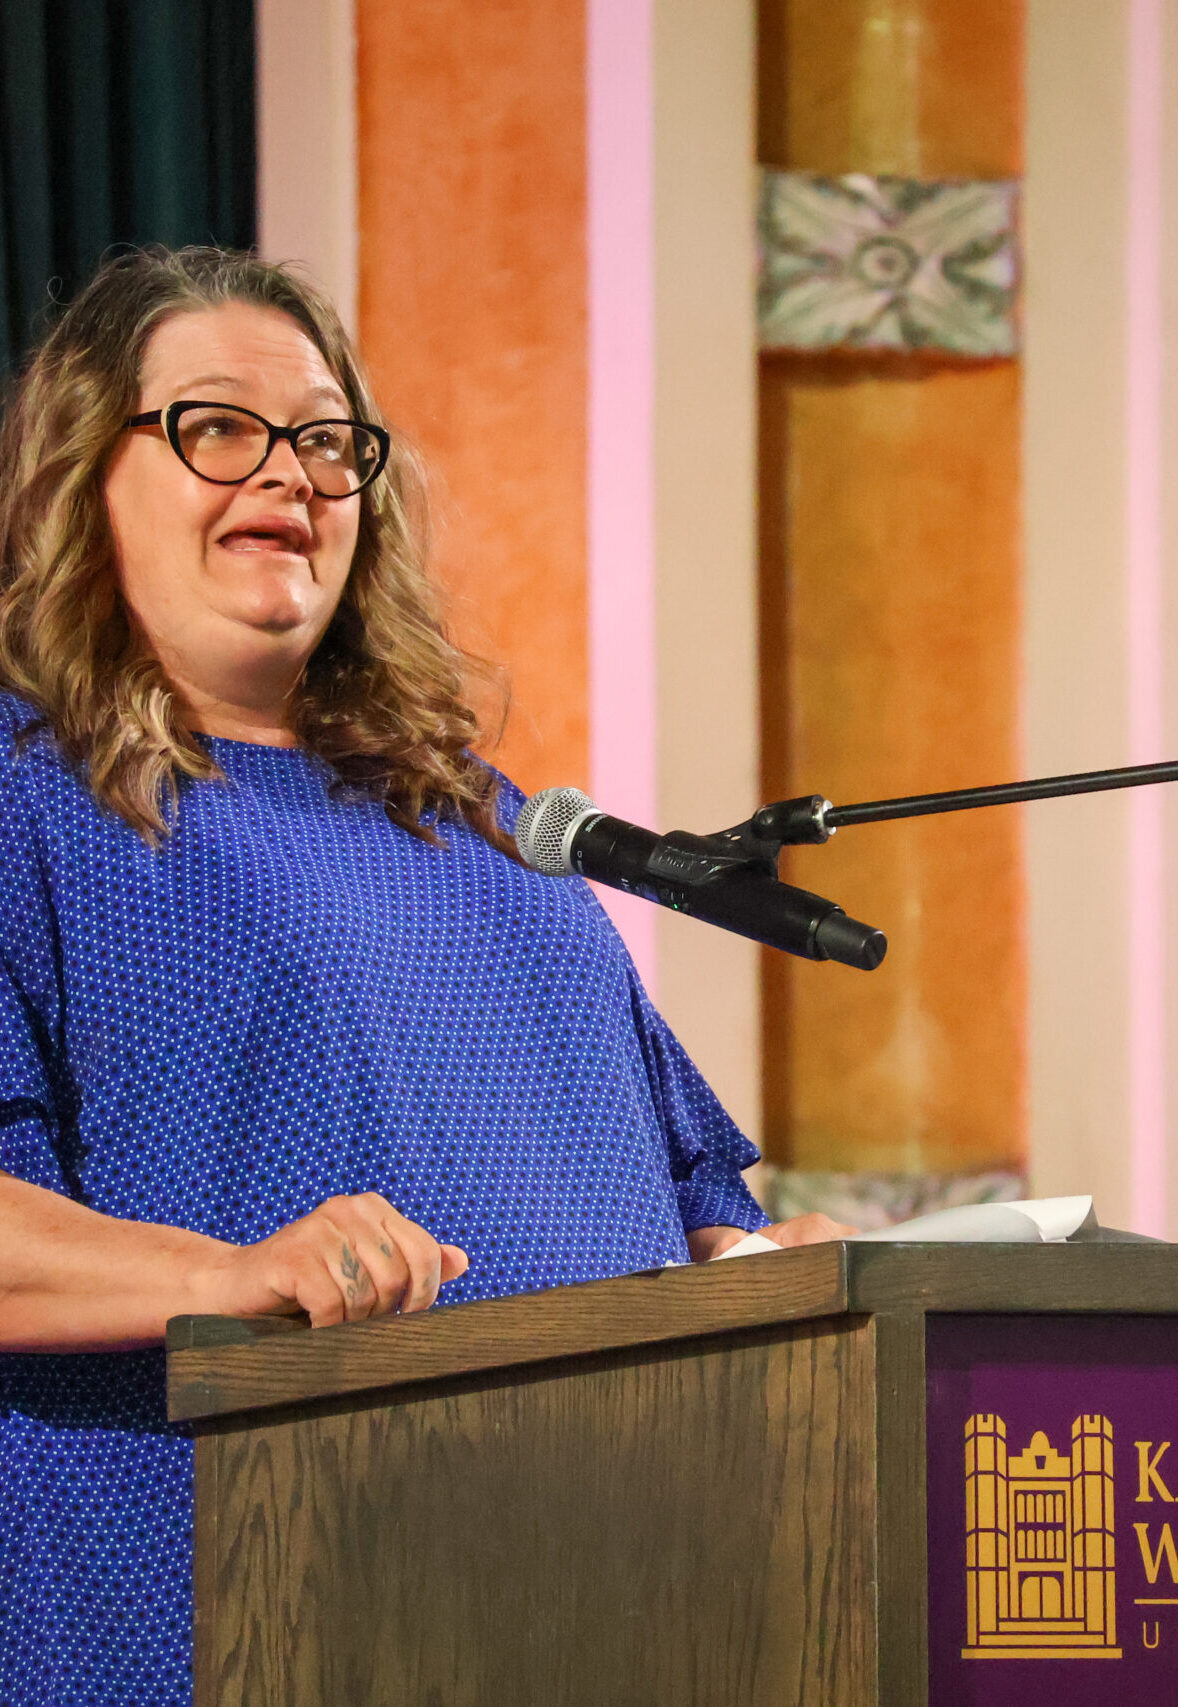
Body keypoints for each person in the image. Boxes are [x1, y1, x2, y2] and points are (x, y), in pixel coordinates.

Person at [0, 246, 849, 1707]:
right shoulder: (28, 800)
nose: (292, 477)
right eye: (218, 429)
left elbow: (670, 1203)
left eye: (328, 441)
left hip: (592, 1584)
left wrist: (778, 1277)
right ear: (89, 474)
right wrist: (233, 1277)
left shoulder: (472, 809)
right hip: (220, 1597)